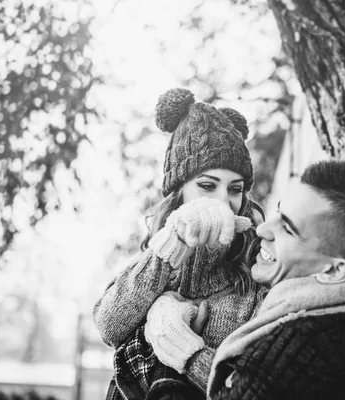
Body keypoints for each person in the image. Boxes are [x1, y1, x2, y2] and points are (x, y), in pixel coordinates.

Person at [144, 160, 345, 399]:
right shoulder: (343, 330)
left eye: (288, 229)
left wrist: (171, 357)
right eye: (278, 213)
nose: (263, 229)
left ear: (334, 271)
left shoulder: (293, 354)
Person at [92, 88, 267, 399]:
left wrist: (187, 355)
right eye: (207, 186)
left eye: (235, 189)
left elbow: (251, 391)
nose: (224, 202)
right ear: (179, 191)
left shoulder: (253, 284)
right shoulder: (153, 262)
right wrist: (174, 239)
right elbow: (110, 325)